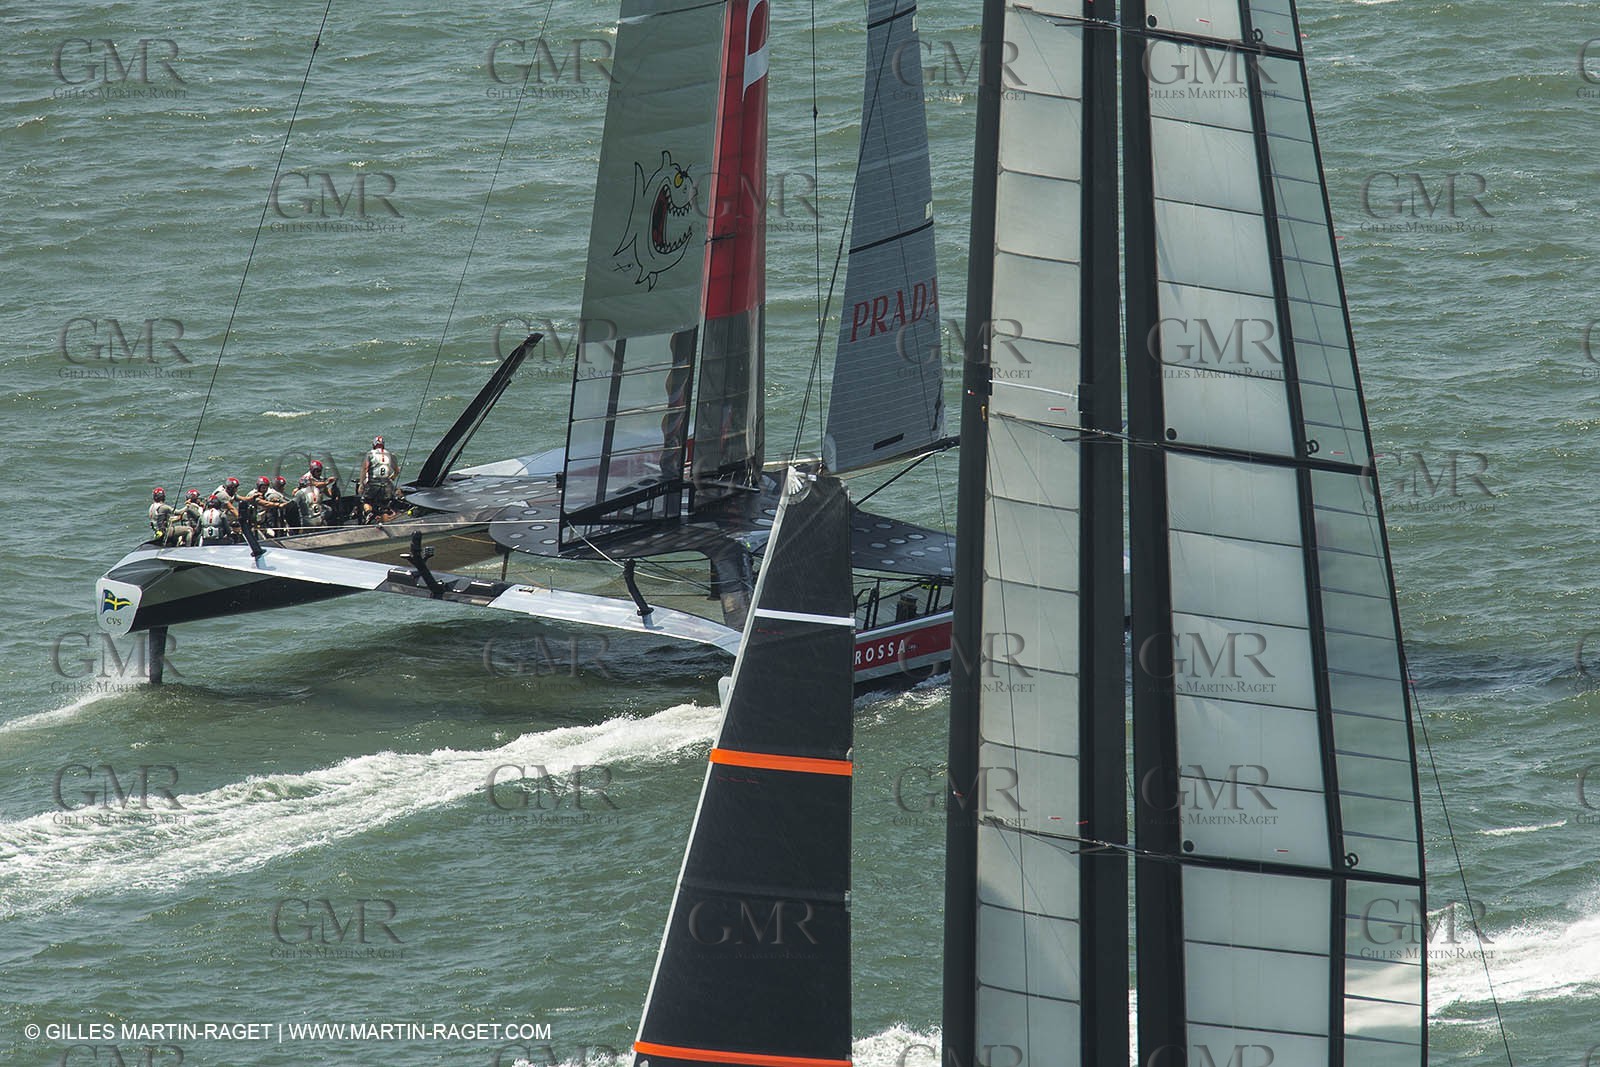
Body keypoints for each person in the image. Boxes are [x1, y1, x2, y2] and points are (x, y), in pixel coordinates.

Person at [359, 434, 401, 522]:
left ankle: (369, 513)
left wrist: (362, 484)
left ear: (373, 445)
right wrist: (392, 477)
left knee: (366, 501)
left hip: (373, 483)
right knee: (384, 507)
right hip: (386, 483)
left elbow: (365, 469)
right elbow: (397, 470)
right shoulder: (390, 454)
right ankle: (384, 526)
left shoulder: (370, 454)